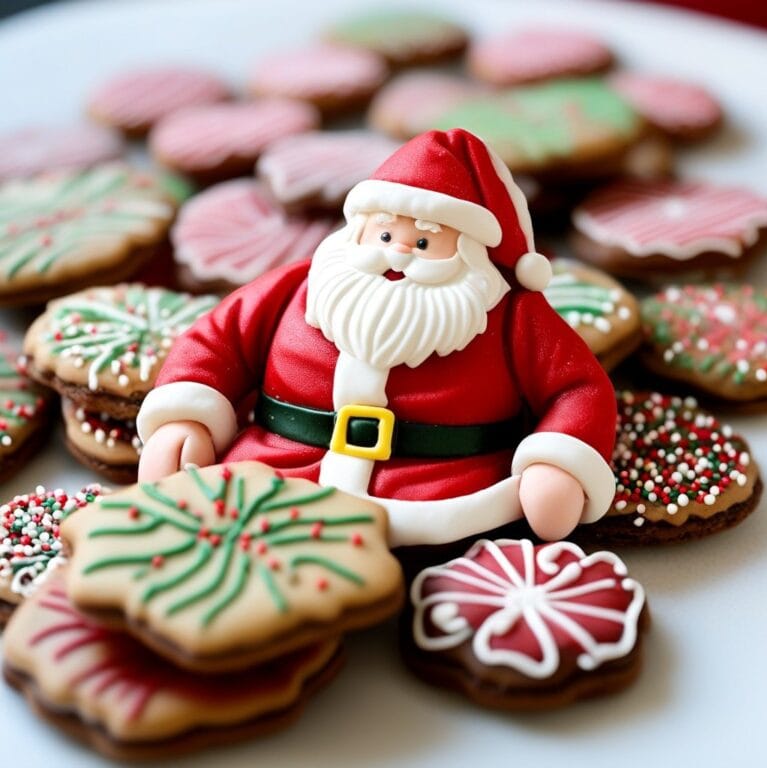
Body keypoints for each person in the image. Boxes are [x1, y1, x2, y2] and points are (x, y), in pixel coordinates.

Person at [137, 129, 616, 547]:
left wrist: (557, 461)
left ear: (472, 251)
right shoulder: (298, 285)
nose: (401, 252)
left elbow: (578, 388)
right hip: (275, 470)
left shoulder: (511, 314)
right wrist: (186, 419)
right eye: (385, 236)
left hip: (438, 490)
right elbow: (217, 341)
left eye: (426, 243)